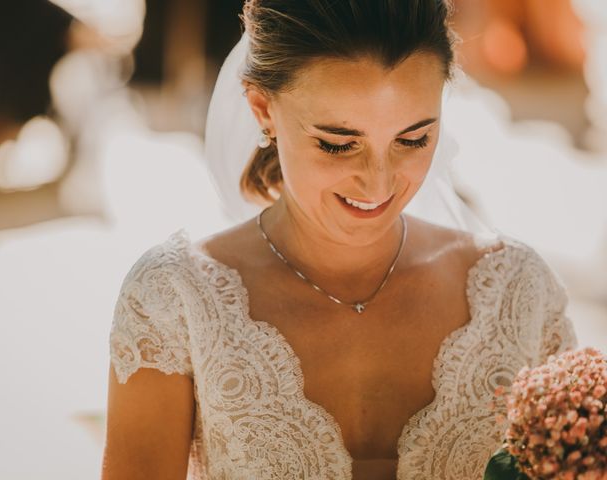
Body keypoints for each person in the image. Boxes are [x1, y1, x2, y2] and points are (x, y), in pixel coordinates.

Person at [102, 1, 579, 479]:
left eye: (412, 139)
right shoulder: (175, 300)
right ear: (263, 110)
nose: (378, 184)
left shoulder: (515, 292)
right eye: (337, 143)